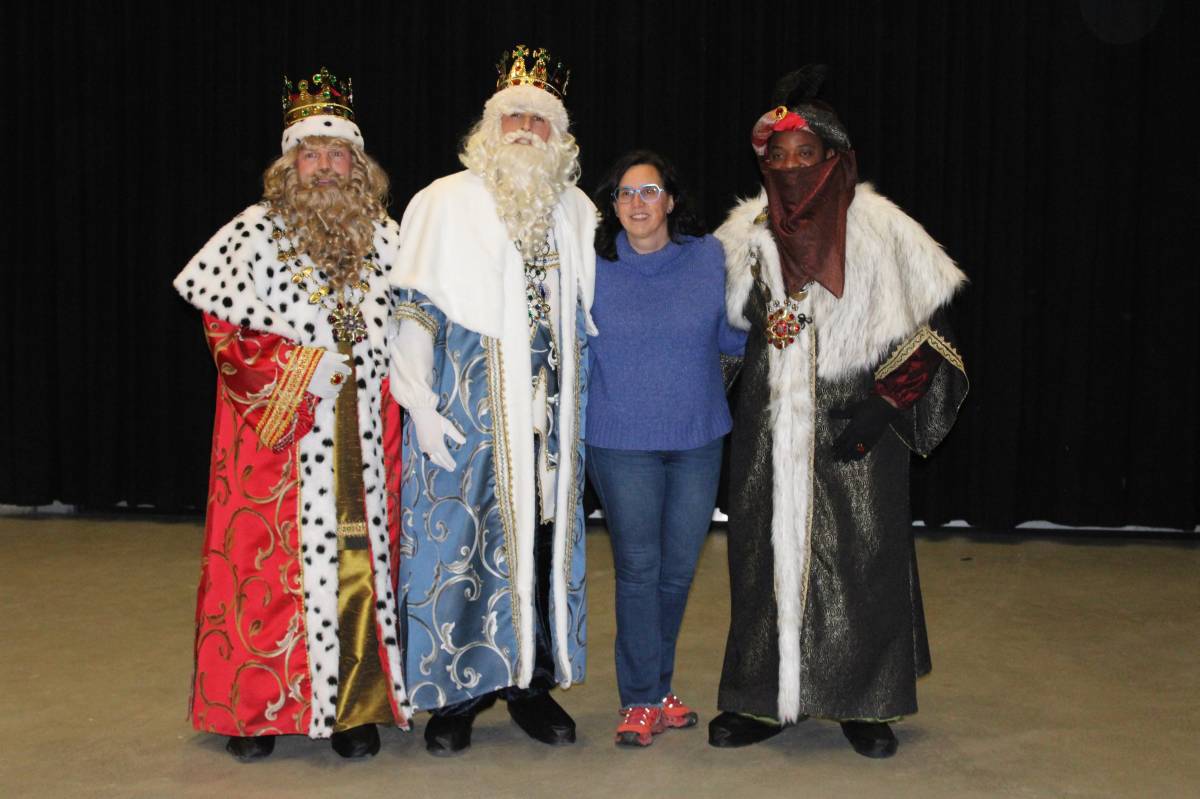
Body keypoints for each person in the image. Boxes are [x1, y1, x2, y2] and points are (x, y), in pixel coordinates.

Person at [709, 65, 968, 758]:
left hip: (859, 429)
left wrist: (885, 408)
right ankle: (761, 700)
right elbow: (720, 344)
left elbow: (933, 335)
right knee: (761, 556)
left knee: (864, 555)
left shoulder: (882, 228)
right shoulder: (744, 236)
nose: (792, 167)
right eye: (778, 157)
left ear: (835, 159)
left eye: (806, 155)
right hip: (767, 433)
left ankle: (867, 699)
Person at [173, 68, 409, 760]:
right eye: (312, 152)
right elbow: (226, 334)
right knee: (263, 575)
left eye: (340, 154)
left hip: (364, 433)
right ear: (289, 163)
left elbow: (416, 330)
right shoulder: (251, 234)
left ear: (359, 165)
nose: (327, 167)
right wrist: (301, 370)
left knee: (360, 564)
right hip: (274, 439)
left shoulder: (390, 240)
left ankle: (354, 706)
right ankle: (256, 710)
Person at [386, 44, 596, 756]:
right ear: (489, 125)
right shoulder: (441, 201)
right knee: (458, 551)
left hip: (547, 428)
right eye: (514, 117)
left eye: (540, 121)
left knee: (536, 548)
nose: (525, 131)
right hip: (464, 419)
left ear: (558, 137)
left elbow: (581, 323)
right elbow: (414, 308)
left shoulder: (575, 211)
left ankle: (530, 686)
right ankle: (456, 693)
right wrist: (417, 402)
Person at [586, 150, 746, 746]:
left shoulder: (707, 258)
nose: (637, 203)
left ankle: (659, 688)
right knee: (639, 569)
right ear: (613, 206)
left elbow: (731, 334)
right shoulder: (592, 266)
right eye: (625, 194)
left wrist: (774, 310)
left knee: (677, 572)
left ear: (671, 201)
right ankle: (639, 699)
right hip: (621, 438)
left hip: (698, 436)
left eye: (649, 191)